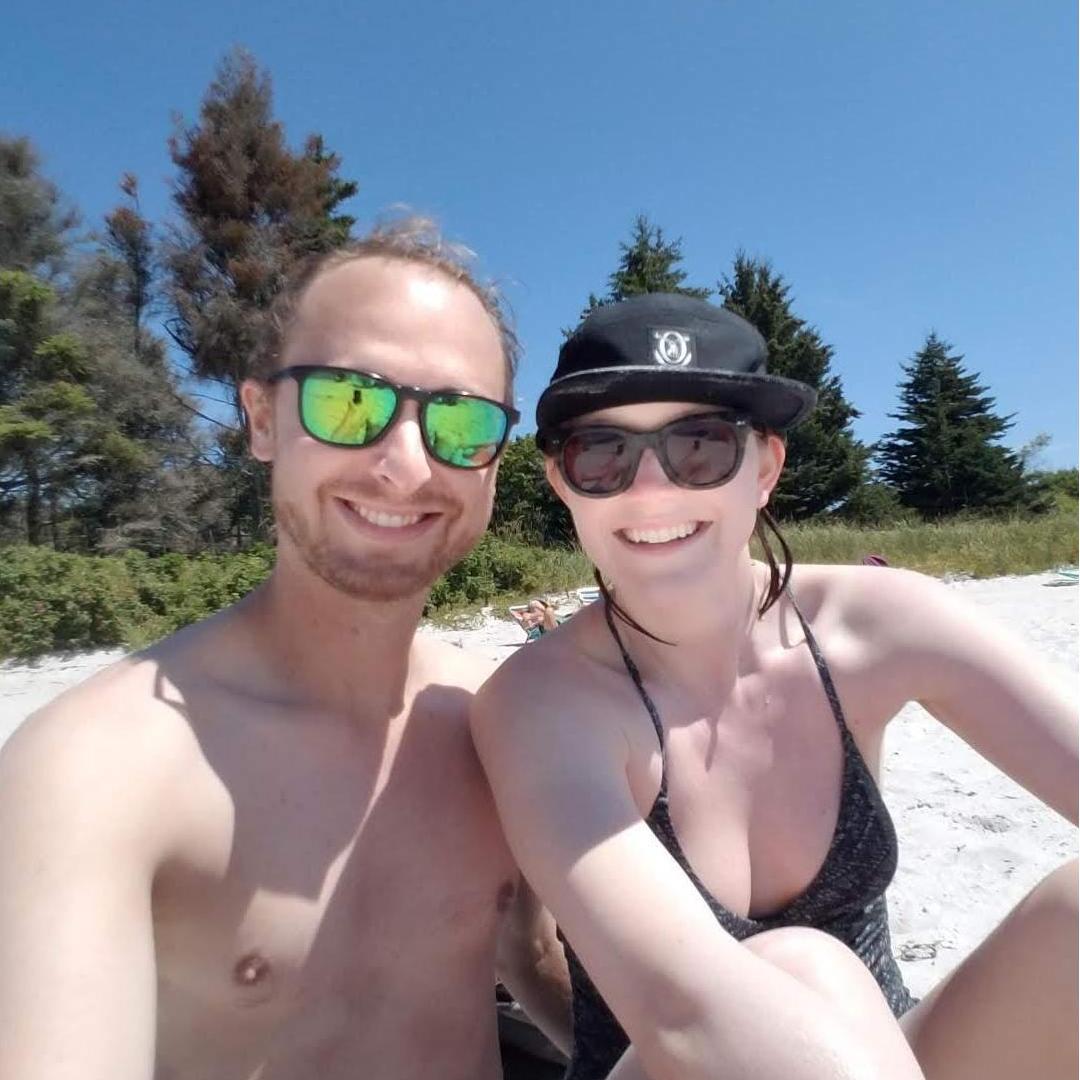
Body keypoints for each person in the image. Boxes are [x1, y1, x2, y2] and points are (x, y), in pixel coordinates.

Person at [0, 219, 571, 1080]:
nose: (407, 466)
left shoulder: (498, 721)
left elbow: (529, 962)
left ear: (493, 460)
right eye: (349, 401)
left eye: (459, 421)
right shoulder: (95, 769)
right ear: (262, 419)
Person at [471, 293, 1078, 1080]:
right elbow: (682, 1009)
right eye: (602, 452)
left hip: (883, 1058)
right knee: (802, 968)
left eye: (700, 446)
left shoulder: (879, 623)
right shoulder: (540, 704)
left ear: (764, 466)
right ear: (563, 483)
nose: (651, 490)